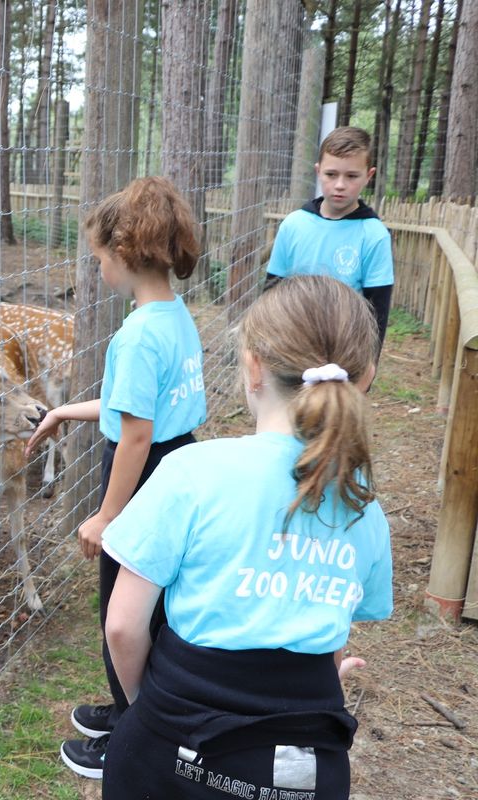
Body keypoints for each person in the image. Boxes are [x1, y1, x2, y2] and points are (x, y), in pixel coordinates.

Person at [99, 274, 392, 800]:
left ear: (253, 366)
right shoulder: (363, 506)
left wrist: (150, 707)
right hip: (304, 766)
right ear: (365, 375)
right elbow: (328, 627)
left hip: (170, 747)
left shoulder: (191, 472)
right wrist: (315, 688)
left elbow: (122, 625)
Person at [25, 175, 206, 781]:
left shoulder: (134, 336)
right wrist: (63, 411)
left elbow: (133, 434)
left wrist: (106, 516)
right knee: (156, 607)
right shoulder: (175, 318)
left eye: (98, 257)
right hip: (176, 462)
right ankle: (132, 705)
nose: (97, 268)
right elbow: (138, 408)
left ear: (124, 254)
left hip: (140, 475)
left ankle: (137, 734)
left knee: (124, 611)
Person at [266, 126, 394, 350]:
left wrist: (368, 368)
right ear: (318, 171)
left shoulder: (374, 235)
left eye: (352, 176)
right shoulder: (293, 224)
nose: (340, 185)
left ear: (369, 176)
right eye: (331, 174)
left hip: (345, 349)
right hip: (290, 344)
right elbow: (271, 291)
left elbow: (378, 310)